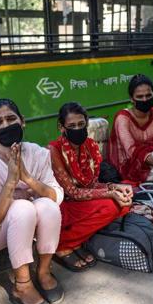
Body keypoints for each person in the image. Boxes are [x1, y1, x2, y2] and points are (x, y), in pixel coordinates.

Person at [0, 98, 64, 304]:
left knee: (48, 206)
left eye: (11, 118)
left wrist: (28, 179)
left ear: (22, 121)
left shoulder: (38, 154)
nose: (6, 125)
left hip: (27, 224)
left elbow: (56, 196)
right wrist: (10, 182)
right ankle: (22, 284)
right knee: (23, 208)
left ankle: (43, 271)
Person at [49, 102, 133, 272]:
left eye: (81, 124)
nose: (77, 129)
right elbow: (73, 192)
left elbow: (92, 184)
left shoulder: (90, 146)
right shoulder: (54, 150)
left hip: (82, 201)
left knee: (124, 199)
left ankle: (75, 241)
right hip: (62, 205)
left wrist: (114, 187)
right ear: (61, 127)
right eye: (71, 126)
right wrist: (110, 193)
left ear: (87, 123)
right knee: (112, 204)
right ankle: (63, 244)